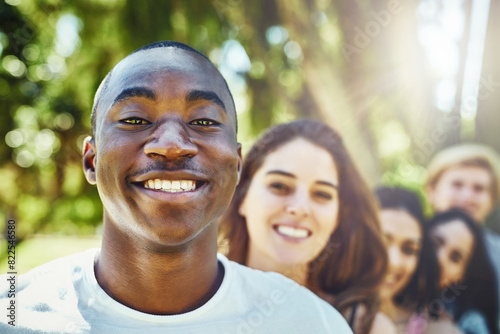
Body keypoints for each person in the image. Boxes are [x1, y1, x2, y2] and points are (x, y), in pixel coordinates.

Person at [0, 41, 352, 333]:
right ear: (91, 160)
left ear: (238, 164)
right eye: (135, 119)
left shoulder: (310, 323)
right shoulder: (15, 315)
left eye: (203, 121)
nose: (171, 144)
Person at [218, 119, 393, 333]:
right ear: (242, 198)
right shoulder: (188, 300)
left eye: (322, 194)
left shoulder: (364, 326)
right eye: (280, 186)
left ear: (337, 215)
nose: (300, 208)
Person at [425, 143, 500, 330]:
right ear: (432, 191)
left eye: (478, 188)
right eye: (457, 184)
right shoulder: (407, 240)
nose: (467, 197)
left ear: (492, 201)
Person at [374, 186, 442, 333]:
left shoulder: (433, 328)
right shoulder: (318, 306)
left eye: (409, 250)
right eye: (383, 242)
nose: (394, 261)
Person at [428, 209, 499, 334]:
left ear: (461, 276)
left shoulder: (469, 325)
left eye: (455, 258)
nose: (440, 259)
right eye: (436, 243)